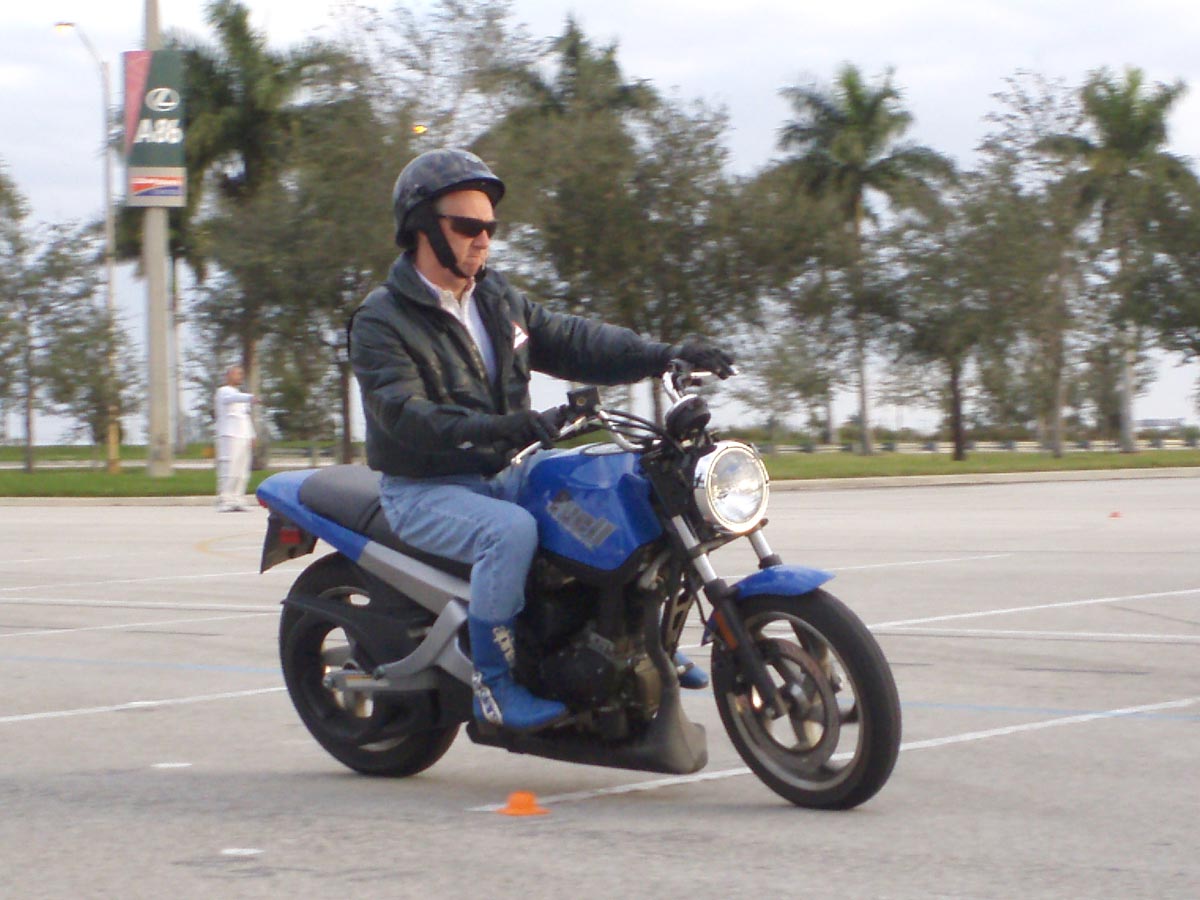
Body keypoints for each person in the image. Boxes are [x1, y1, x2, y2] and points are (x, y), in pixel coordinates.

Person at [349, 148, 734, 733]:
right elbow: (405, 415)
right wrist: (504, 427)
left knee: (620, 488)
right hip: (426, 487)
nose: (483, 239)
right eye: (468, 226)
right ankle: (494, 685)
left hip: (509, 469)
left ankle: (637, 641)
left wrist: (665, 354)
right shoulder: (382, 319)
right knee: (509, 532)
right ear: (422, 227)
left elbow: (574, 341)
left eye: (490, 227)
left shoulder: (495, 300)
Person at [214, 365, 255, 512]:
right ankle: (225, 499)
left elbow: (245, 417)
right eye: (237, 374)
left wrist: (252, 435)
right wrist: (250, 397)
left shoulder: (240, 395)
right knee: (229, 468)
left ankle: (238, 498)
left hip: (243, 435)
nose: (240, 377)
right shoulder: (223, 391)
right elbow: (232, 398)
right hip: (229, 435)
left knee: (242, 470)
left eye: (241, 374)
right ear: (228, 376)